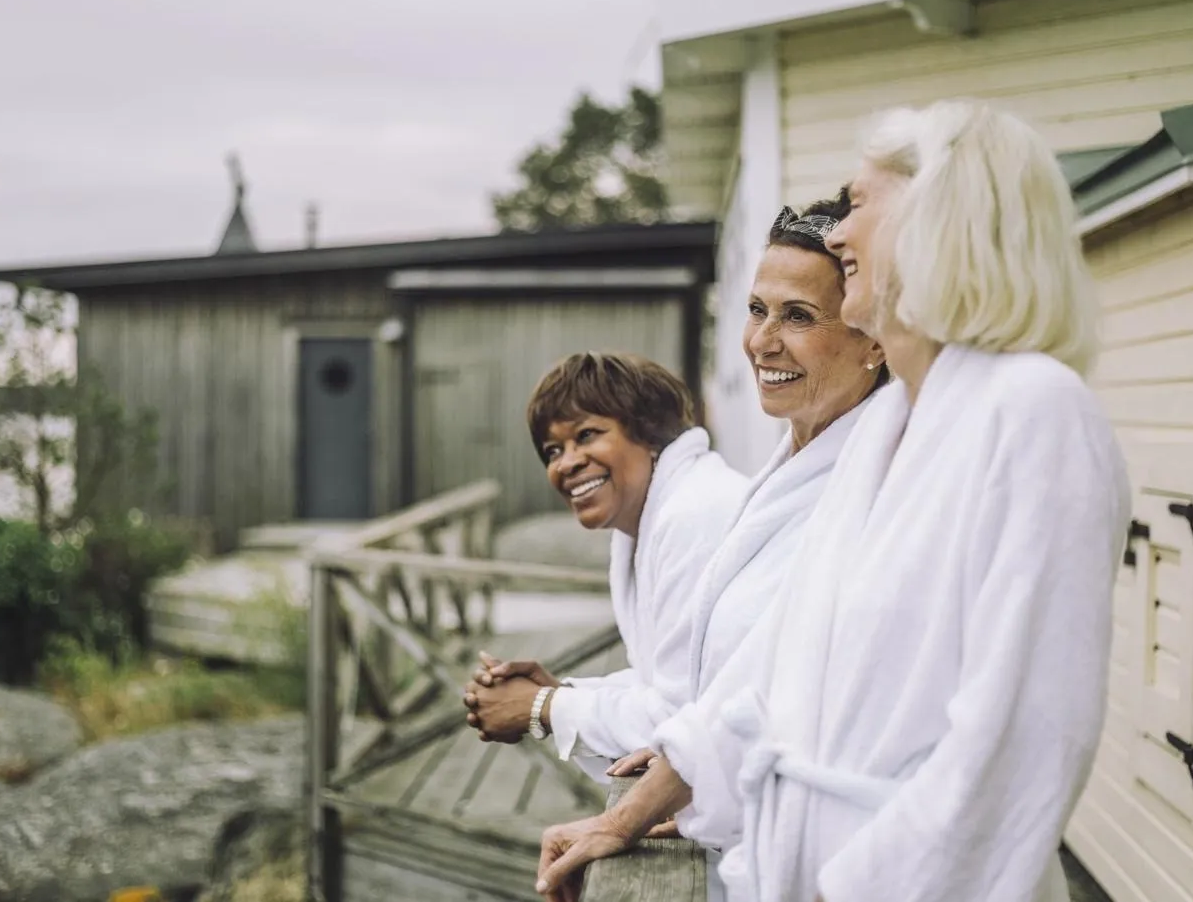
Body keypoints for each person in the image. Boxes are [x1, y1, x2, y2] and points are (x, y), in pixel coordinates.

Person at [533, 99, 1131, 902]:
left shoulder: (1034, 414)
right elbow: (772, 676)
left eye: (860, 205)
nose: (839, 232)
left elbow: (1018, 747)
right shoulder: (888, 424)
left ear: (940, 222)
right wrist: (625, 816)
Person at [466, 191, 887, 821]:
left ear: (877, 337)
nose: (762, 342)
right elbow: (712, 691)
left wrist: (543, 710)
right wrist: (566, 693)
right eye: (754, 310)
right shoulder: (787, 473)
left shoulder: (861, 487)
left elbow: (703, 708)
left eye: (797, 316)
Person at [459, 351, 746, 768]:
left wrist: (544, 706)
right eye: (553, 450)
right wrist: (559, 694)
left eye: (588, 434)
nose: (567, 462)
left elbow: (685, 720)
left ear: (649, 433)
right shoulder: (656, 515)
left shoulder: (695, 515)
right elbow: (664, 687)